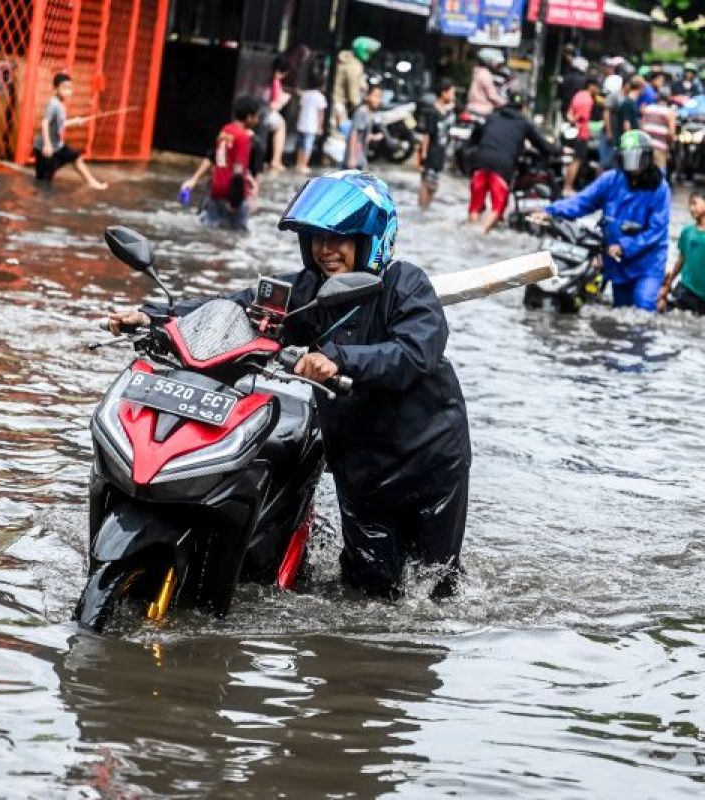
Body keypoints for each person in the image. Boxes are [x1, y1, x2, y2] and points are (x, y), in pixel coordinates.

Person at [107, 171, 472, 600]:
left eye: (338, 239)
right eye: (316, 238)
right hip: (359, 466)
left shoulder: (406, 285)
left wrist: (336, 359)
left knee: (433, 592)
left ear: (370, 240)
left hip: (425, 462)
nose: (324, 250)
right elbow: (236, 308)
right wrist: (156, 318)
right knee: (368, 589)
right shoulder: (305, 290)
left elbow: (415, 352)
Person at [539, 130, 671, 312]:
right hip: (617, 260)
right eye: (628, 159)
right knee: (621, 310)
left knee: (643, 306)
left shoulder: (660, 188)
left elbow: (657, 230)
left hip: (647, 261)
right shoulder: (611, 180)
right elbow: (582, 201)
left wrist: (625, 246)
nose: (633, 167)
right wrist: (550, 212)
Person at [468, 92, 557, 233]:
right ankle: (482, 233)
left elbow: (475, 137)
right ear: (523, 107)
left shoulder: (493, 117)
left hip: (481, 162)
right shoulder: (523, 123)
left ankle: (472, 230)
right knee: (498, 206)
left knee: (475, 205)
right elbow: (543, 145)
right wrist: (558, 149)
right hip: (502, 167)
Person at [658, 185, 705, 316]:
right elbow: (681, 259)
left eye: (694, 204)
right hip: (686, 288)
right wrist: (669, 281)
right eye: (690, 205)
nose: (691, 208)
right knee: (665, 312)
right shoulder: (687, 231)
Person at [195, 95, 260, 231]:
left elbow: (217, 160)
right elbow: (238, 170)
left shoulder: (225, 130)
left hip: (216, 190)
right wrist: (235, 201)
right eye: (255, 116)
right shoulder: (243, 137)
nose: (257, 120)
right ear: (249, 117)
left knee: (210, 229)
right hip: (231, 193)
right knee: (238, 236)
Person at [32, 72, 107, 189]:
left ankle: (92, 182)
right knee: (43, 181)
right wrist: (47, 145)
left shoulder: (61, 104)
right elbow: (45, 123)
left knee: (76, 158)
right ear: (56, 88)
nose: (68, 90)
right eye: (65, 87)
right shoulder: (54, 104)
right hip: (45, 148)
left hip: (57, 146)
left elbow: (59, 124)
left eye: (69, 87)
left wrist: (75, 121)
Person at [418, 77, 455, 210]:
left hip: (440, 154)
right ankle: (422, 209)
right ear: (443, 93)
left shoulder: (446, 113)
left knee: (433, 186)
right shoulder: (433, 112)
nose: (453, 96)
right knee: (426, 184)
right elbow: (427, 135)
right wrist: (423, 157)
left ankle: (425, 210)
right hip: (431, 155)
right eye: (451, 93)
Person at [332, 36, 377, 130]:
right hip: (339, 105)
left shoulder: (345, 60)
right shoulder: (353, 66)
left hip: (335, 102)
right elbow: (353, 95)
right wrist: (360, 106)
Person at [563, 76, 599, 194]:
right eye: (596, 87)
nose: (598, 90)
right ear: (591, 86)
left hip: (572, 133)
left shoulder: (578, 95)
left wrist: (572, 121)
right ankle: (568, 187)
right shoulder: (588, 99)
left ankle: (567, 185)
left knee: (572, 160)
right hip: (581, 134)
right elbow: (581, 117)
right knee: (576, 161)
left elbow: (569, 113)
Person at [294, 73, 326, 175]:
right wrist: (320, 127)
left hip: (302, 123)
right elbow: (320, 114)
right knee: (307, 146)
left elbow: (300, 108)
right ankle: (304, 165)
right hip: (311, 125)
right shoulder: (320, 97)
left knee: (301, 145)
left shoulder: (306, 94)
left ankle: (298, 164)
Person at [639, 85, 676, 173]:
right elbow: (671, 133)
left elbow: (642, 127)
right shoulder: (669, 112)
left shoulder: (647, 109)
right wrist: (671, 145)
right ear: (668, 98)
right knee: (659, 174)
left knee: (645, 172)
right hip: (660, 147)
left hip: (645, 147)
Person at [346, 83, 381, 171]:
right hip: (356, 157)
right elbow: (354, 134)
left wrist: (374, 137)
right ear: (367, 96)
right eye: (375, 96)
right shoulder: (362, 112)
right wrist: (352, 158)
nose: (377, 100)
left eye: (379, 97)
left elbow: (363, 136)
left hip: (360, 156)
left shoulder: (368, 113)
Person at [265, 56, 291, 172]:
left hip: (263, 112)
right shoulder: (275, 82)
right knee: (281, 125)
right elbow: (273, 105)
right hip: (267, 113)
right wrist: (284, 99)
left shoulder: (267, 78)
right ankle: (276, 160)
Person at [466, 47, 505, 116]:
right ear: (489, 61)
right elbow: (492, 96)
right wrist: (505, 103)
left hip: (472, 107)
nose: (498, 65)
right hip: (483, 111)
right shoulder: (486, 75)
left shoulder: (477, 71)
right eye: (496, 62)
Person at [599, 74, 624, 171]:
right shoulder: (613, 97)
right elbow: (606, 113)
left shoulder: (616, 96)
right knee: (605, 163)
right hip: (610, 133)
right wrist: (609, 132)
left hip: (615, 133)